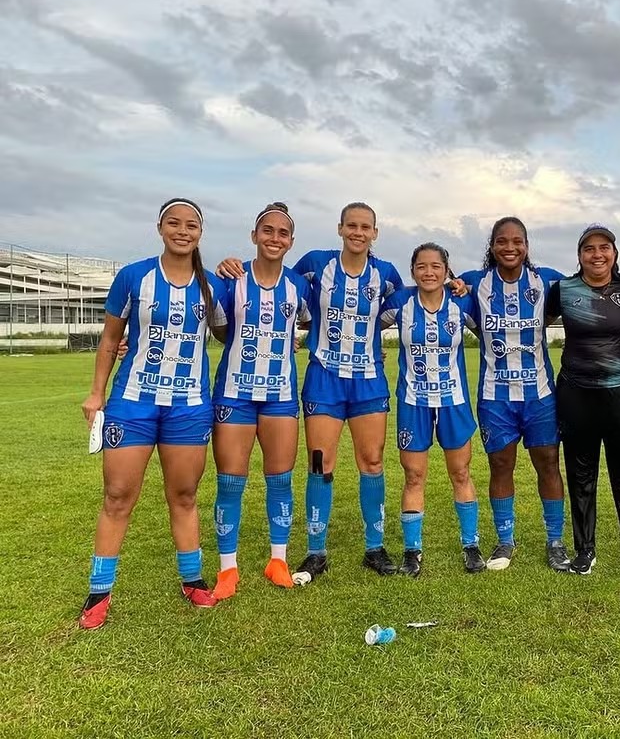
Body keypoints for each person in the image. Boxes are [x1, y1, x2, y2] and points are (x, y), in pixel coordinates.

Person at [217, 202, 403, 583]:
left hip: (368, 378)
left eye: (365, 226)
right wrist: (228, 265)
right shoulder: (315, 265)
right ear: (340, 229)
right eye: (351, 225)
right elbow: (284, 292)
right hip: (324, 377)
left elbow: (410, 304)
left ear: (375, 233)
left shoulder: (386, 274)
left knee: (372, 460)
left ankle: (375, 547)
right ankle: (316, 551)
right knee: (321, 462)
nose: (358, 232)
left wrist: (454, 283)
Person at [79, 198, 227, 629]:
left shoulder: (211, 285)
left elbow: (225, 332)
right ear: (160, 228)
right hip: (134, 401)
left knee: (183, 495)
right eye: (174, 223)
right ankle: (98, 593)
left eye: (192, 225)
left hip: (190, 406)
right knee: (117, 497)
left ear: (201, 233)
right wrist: (96, 394)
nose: (183, 231)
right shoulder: (133, 277)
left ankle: (194, 580)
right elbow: (110, 340)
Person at [210, 202, 312, 599]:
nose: (274, 238)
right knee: (230, 482)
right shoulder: (231, 279)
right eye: (267, 231)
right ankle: (227, 568)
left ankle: (278, 560)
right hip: (234, 393)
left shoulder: (298, 286)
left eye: (282, 233)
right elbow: (218, 329)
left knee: (280, 479)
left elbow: (313, 320)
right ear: (254, 236)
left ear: (291, 241)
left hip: (280, 395)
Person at [458, 217, 570, 572]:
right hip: (496, 396)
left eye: (517, 241)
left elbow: (589, 286)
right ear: (491, 246)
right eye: (502, 241)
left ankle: (555, 541)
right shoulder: (475, 283)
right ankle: (505, 539)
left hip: (540, 395)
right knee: (500, 464)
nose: (510, 247)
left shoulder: (547, 279)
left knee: (548, 464)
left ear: (527, 245)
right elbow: (430, 295)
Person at [545, 225, 620, 577]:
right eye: (589, 249)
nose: (597, 255)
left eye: (604, 248)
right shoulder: (563, 290)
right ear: (579, 256)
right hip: (576, 392)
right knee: (580, 473)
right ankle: (584, 551)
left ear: (615, 254)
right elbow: (536, 324)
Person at [379, 243, 484, 575]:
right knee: (414, 476)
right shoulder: (400, 303)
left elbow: (494, 322)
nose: (428, 272)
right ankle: (413, 551)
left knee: (462, 473)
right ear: (412, 271)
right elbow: (364, 323)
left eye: (436, 266)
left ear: (446, 270)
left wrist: (464, 282)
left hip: (453, 400)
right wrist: (374, 349)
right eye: (421, 266)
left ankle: (471, 545)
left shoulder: (461, 301)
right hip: (414, 402)